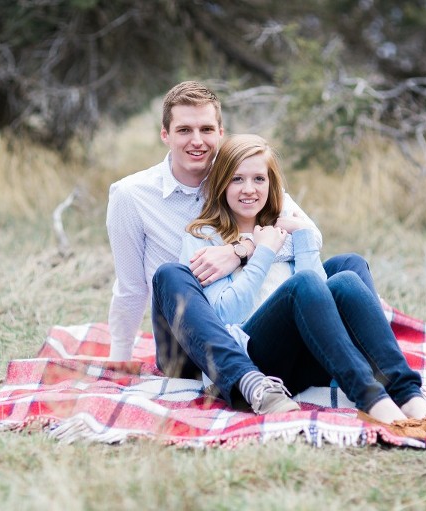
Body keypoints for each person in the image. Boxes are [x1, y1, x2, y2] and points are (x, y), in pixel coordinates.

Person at [105, 80, 383, 416]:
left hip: (251, 322)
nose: (197, 141)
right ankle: (246, 381)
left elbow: (308, 235)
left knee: (348, 266)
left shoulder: (240, 174)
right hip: (188, 335)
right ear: (165, 134)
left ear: (220, 133)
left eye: (207, 129)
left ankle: (374, 368)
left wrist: (240, 250)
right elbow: (131, 286)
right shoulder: (131, 195)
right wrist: (120, 355)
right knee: (172, 273)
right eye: (184, 130)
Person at [179, 134, 426, 440]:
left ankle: (409, 396)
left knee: (345, 281)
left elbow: (322, 299)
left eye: (259, 179)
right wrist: (263, 252)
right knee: (304, 283)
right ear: (221, 183)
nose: (249, 189)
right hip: (254, 364)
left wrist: (303, 236)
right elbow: (223, 316)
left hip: (306, 359)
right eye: (237, 179)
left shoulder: (282, 227)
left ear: (271, 184)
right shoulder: (202, 237)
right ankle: (372, 399)